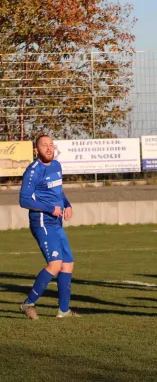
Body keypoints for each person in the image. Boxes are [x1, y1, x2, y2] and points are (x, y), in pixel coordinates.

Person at [19, 135, 79, 320]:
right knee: (55, 265)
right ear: (36, 150)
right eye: (44, 145)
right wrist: (49, 208)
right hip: (42, 221)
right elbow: (24, 200)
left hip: (56, 221)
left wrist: (67, 204)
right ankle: (28, 304)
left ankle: (63, 310)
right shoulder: (33, 171)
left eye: (51, 145)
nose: (48, 148)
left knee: (67, 263)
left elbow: (58, 191)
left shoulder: (56, 166)